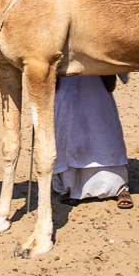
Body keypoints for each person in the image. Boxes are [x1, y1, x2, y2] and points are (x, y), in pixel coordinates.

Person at [52, 74, 133, 209]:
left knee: (103, 126)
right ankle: (71, 188)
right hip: (67, 80)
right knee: (70, 127)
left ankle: (118, 185)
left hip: (98, 76)